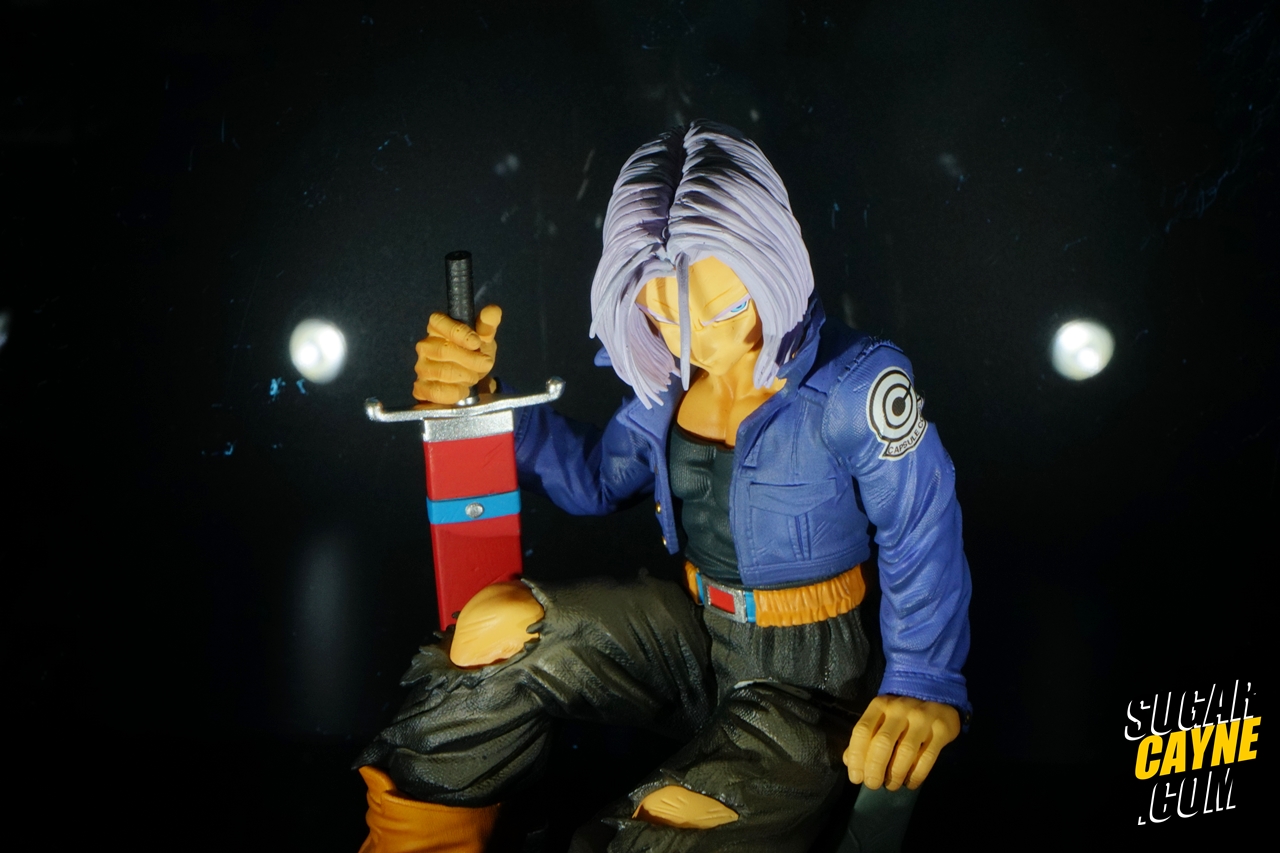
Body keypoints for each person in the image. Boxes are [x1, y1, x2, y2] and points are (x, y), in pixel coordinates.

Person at [355, 120, 972, 853]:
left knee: (665, 829)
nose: (704, 342)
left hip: (810, 679)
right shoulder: (669, 391)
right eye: (666, 315)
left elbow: (921, 525)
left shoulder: (854, 386)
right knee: (495, 628)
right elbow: (593, 480)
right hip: (694, 636)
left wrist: (922, 680)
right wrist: (485, 404)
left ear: (772, 260)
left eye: (726, 308)